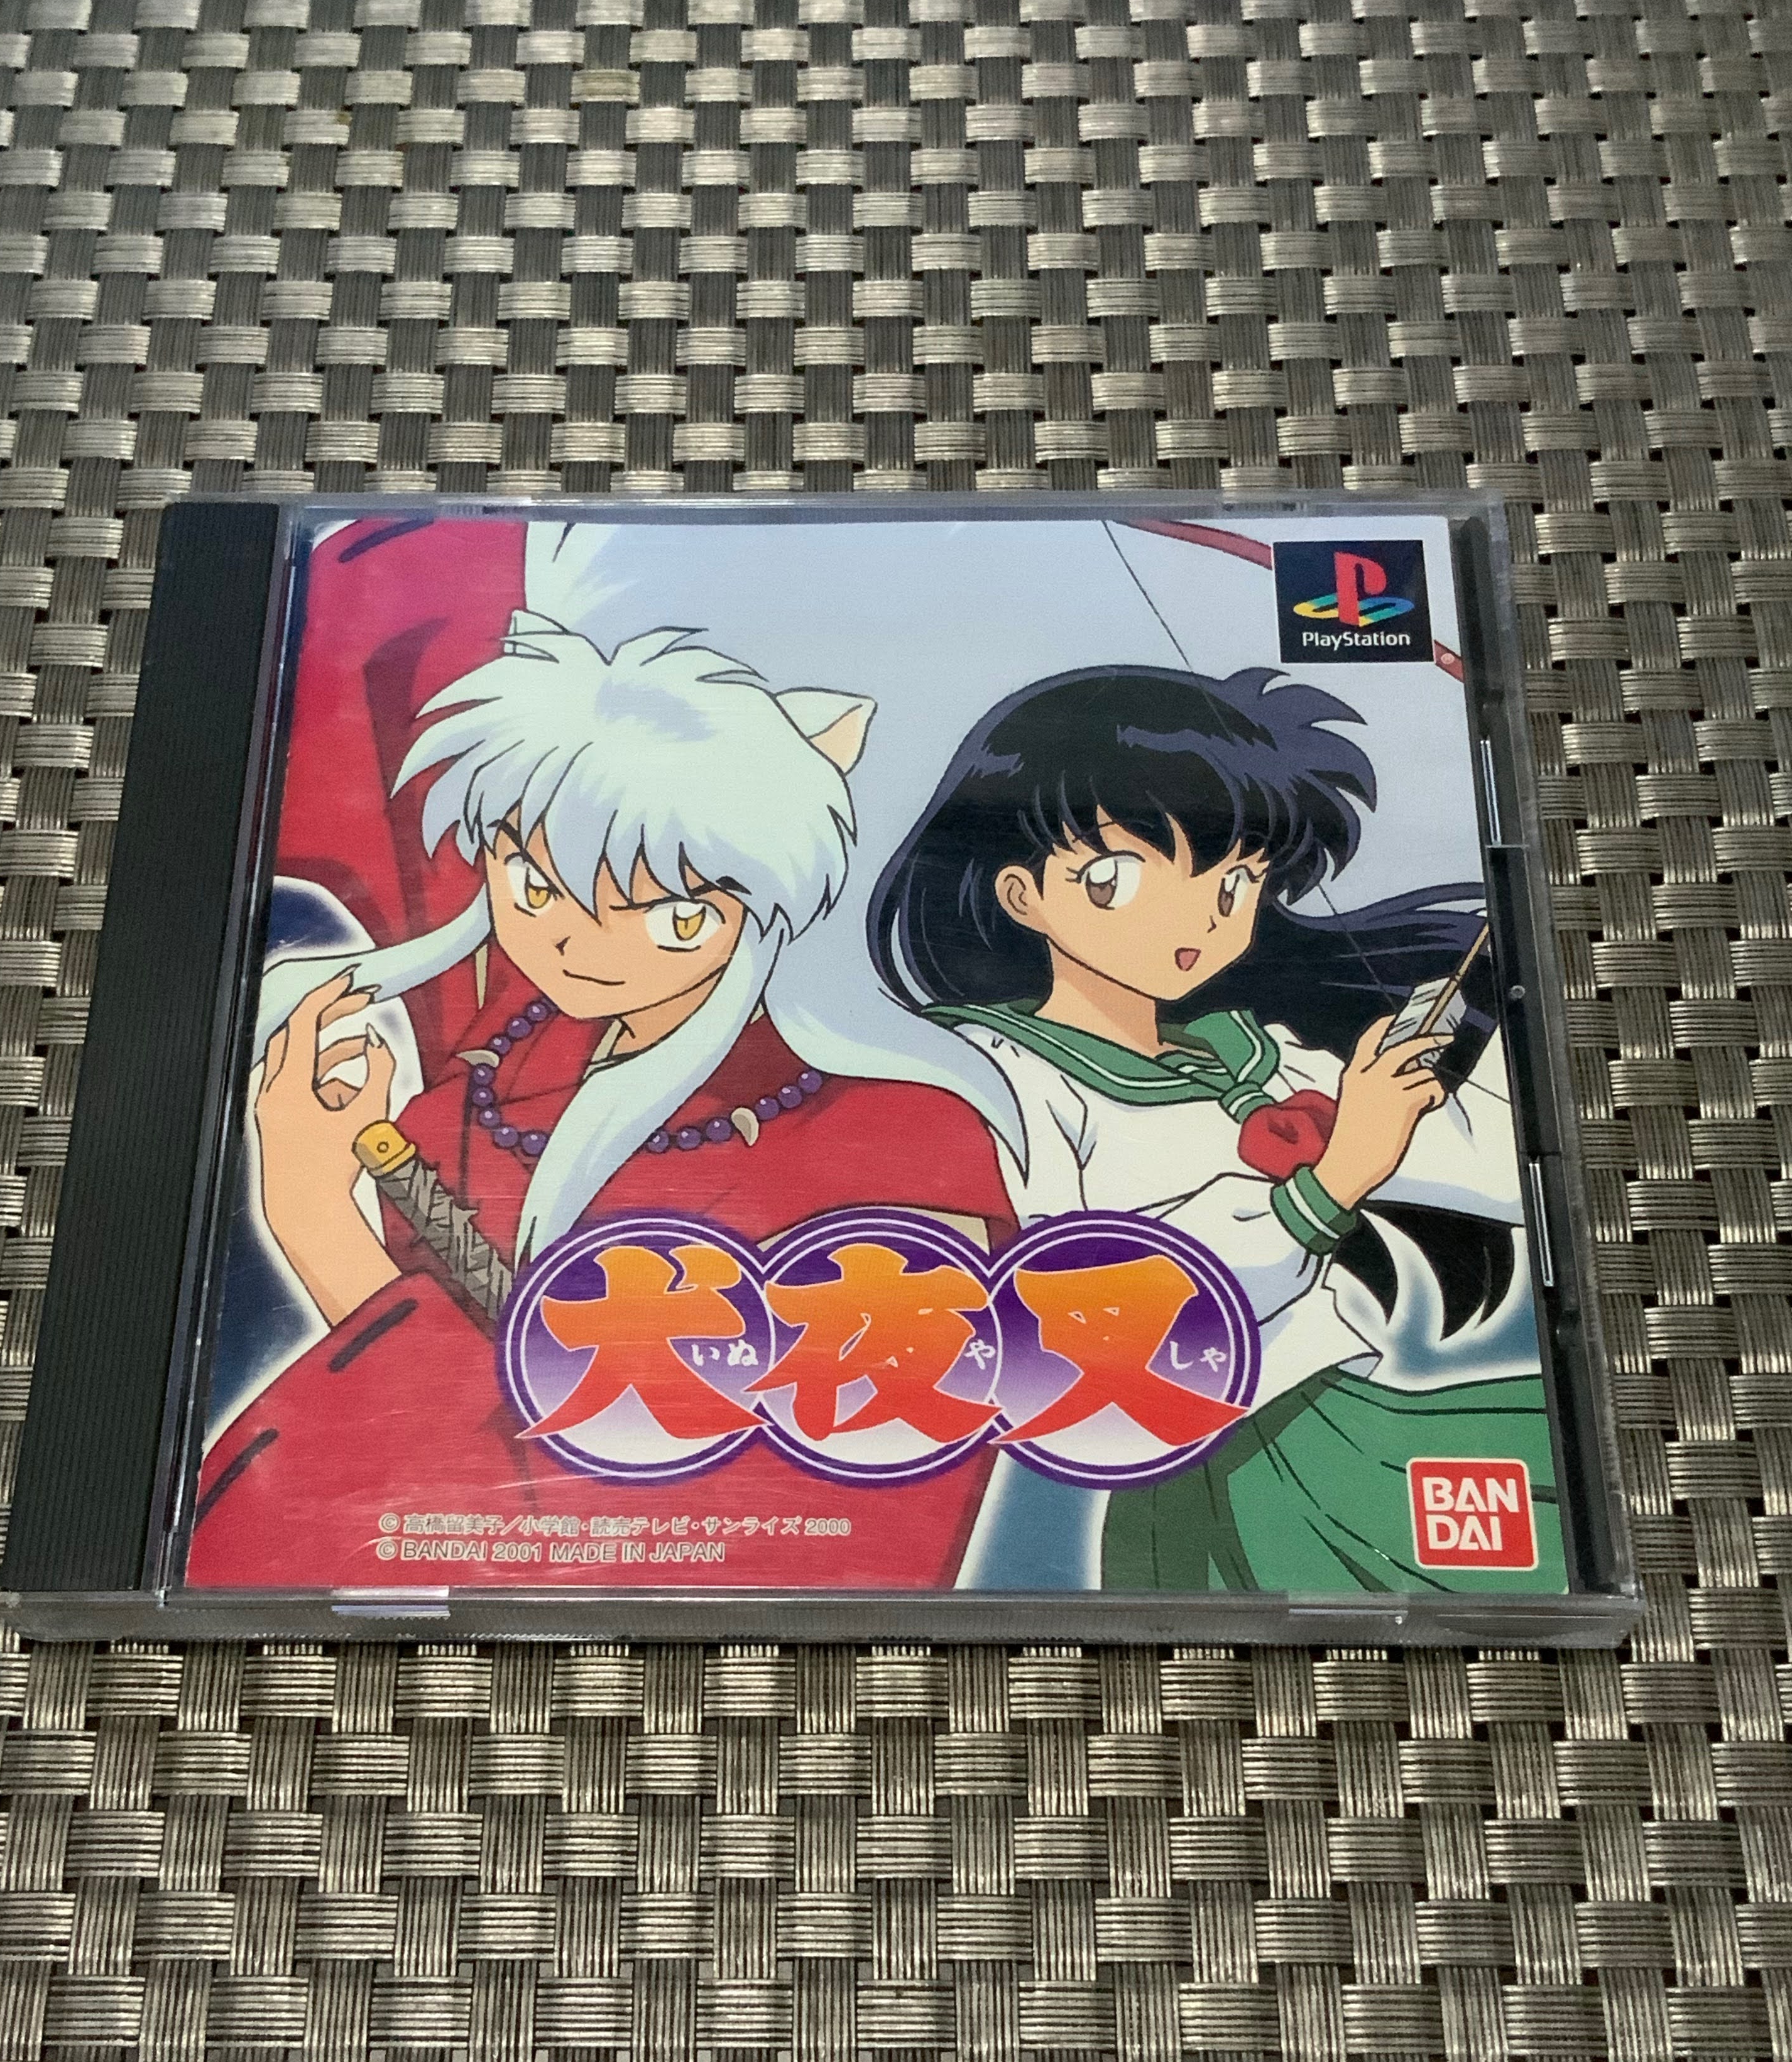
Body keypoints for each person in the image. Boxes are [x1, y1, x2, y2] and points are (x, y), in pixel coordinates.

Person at [187, 538, 1025, 1593]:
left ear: (766, 904)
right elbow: (434, 1431)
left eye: (670, 914)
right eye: (533, 886)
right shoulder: (495, 1071)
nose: (578, 942)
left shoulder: (902, 1145)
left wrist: (316, 1213)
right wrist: (345, 1166)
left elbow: (782, 1522)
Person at [870, 662, 1568, 1595]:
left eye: (1236, 882)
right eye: (1120, 876)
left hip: (1336, 1431)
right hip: (1220, 1475)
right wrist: (1328, 1186)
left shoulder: (1252, 1052)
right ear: (1021, 894)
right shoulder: (993, 1078)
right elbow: (1072, 1308)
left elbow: (1489, 1169)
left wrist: (1466, 1030)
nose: (1197, 916)